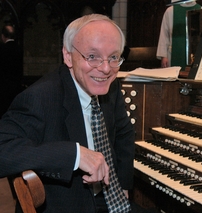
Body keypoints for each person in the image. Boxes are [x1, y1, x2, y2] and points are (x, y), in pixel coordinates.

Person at [0, 14, 135, 213]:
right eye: (92, 56)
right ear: (68, 56)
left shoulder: (110, 87)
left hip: (110, 196)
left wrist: (123, 184)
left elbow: (123, 133)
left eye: (113, 57)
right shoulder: (40, 97)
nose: (106, 69)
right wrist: (76, 155)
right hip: (69, 204)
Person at [156, 0, 201, 70]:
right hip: (173, 55)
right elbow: (164, 34)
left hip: (195, 55)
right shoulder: (171, 11)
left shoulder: (200, 9)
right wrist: (163, 56)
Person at [0, 24, 23, 117]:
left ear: (3, 36)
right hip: (16, 88)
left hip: (3, 88)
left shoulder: (2, 49)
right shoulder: (19, 49)